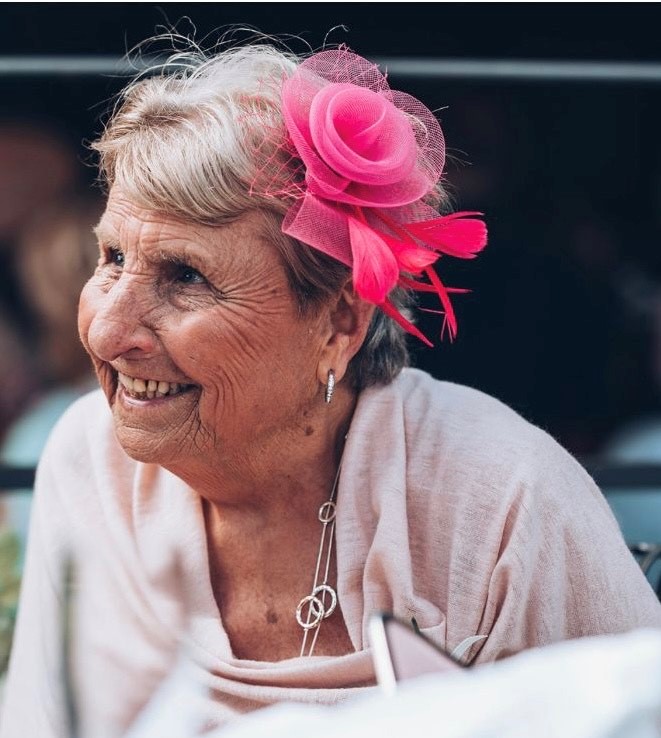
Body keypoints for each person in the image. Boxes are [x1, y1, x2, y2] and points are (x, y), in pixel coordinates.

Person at [2, 42, 660, 738]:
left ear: (340, 322)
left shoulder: (503, 502)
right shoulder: (90, 460)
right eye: (111, 258)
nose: (107, 330)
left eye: (186, 276)